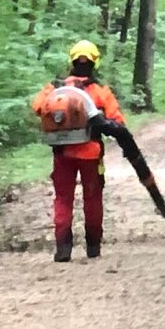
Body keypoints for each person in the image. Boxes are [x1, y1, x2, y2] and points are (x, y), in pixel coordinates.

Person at [32, 40, 125, 261]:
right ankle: (93, 247)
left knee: (63, 198)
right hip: (91, 153)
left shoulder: (54, 88)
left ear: (71, 60)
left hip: (62, 153)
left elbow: (37, 107)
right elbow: (118, 121)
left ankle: (63, 248)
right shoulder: (100, 91)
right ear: (95, 62)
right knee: (92, 197)